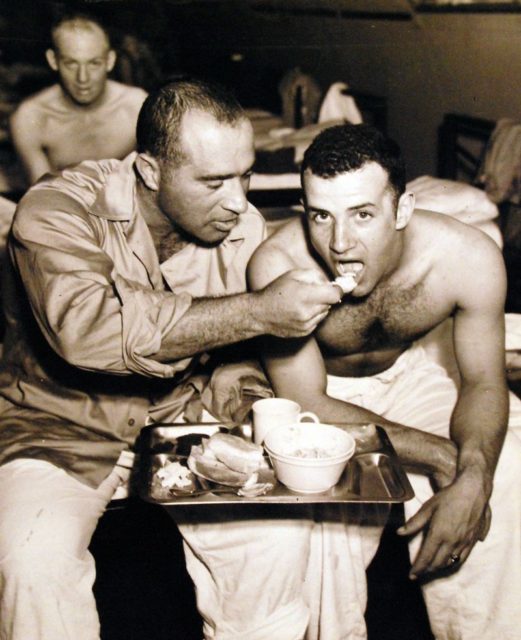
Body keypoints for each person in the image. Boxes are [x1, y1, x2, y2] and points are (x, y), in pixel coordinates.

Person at [0, 79, 340, 640]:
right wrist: (257, 311)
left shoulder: (242, 228)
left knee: (279, 538)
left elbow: (238, 359)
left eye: (245, 174)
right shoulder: (55, 209)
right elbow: (89, 330)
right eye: (213, 181)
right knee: (32, 566)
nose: (237, 201)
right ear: (150, 172)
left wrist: (248, 407)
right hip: (56, 427)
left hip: (184, 424)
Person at [244, 123, 521, 639]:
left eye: (363, 215)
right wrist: (442, 456)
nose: (339, 243)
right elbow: (308, 400)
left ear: (403, 210)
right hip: (327, 396)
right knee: (321, 531)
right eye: (321, 216)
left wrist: (474, 477)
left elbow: (484, 380)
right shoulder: (276, 267)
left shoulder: (467, 255)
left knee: (511, 480)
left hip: (414, 372)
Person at [9, 12, 148, 186]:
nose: (83, 78)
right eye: (71, 63)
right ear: (53, 60)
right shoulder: (30, 118)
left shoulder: (137, 107)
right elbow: (42, 199)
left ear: (110, 60)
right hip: (61, 209)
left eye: (94, 63)